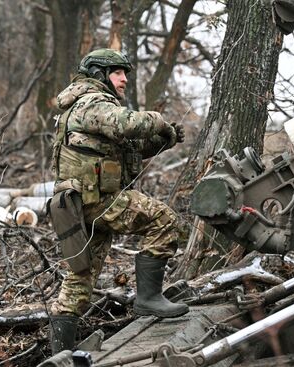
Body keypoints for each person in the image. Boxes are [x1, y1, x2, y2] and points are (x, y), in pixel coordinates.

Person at [48, 48, 189, 354]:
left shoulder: (84, 107)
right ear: (99, 75)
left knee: (79, 282)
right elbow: (126, 124)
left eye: (125, 73)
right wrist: (158, 121)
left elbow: (129, 152)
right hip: (96, 199)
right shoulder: (91, 100)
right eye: (117, 73)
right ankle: (149, 299)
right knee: (164, 220)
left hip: (81, 204)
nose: (124, 79)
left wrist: (164, 141)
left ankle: (60, 356)